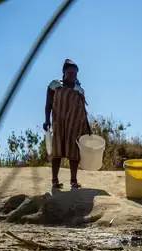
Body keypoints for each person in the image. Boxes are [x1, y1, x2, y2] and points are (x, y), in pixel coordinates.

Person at [43, 59, 91, 190]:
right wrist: (47, 120)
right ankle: (54, 181)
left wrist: (87, 127)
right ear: (64, 72)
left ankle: (73, 181)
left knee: (74, 153)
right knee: (57, 151)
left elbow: (83, 110)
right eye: (70, 72)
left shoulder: (79, 90)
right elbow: (48, 105)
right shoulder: (54, 86)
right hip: (58, 123)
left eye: (75, 73)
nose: (72, 75)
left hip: (74, 124)